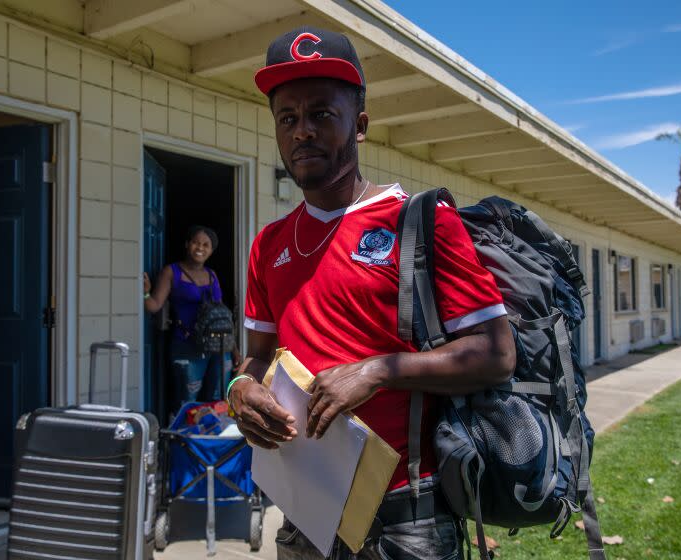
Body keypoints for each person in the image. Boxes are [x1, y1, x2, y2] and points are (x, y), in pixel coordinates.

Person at [228, 27, 516, 560]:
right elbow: (256, 358)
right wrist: (239, 389)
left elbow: (497, 354)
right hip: (303, 510)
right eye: (287, 119)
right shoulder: (269, 245)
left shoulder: (421, 221)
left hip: (404, 518)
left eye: (321, 114)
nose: (302, 132)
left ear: (359, 126)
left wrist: (379, 370)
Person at [144, 225, 238, 410]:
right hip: (187, 346)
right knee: (187, 399)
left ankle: (210, 438)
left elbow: (220, 316)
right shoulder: (172, 272)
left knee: (218, 398)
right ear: (187, 244)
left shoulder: (212, 275)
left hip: (218, 348)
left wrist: (234, 350)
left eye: (206, 245)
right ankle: (186, 438)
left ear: (211, 250)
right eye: (196, 242)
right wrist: (145, 294)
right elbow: (154, 305)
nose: (200, 248)